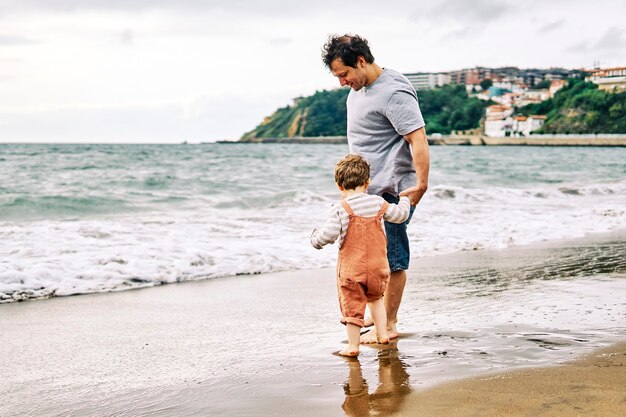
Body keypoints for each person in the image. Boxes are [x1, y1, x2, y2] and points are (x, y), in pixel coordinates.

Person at [322, 34, 430, 343]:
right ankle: (379, 315)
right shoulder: (359, 89)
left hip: (391, 189)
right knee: (369, 257)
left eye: (344, 74)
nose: (342, 82)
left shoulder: (394, 92)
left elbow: (417, 139)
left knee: (391, 258)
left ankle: (391, 323)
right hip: (366, 190)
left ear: (360, 61)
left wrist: (420, 184)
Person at [311, 154, 411, 357]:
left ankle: (353, 346)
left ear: (339, 186)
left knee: (352, 306)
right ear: (367, 182)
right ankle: (383, 334)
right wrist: (406, 199)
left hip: (352, 269)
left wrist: (315, 240)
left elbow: (328, 235)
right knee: (376, 299)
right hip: (378, 265)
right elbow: (400, 216)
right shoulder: (378, 203)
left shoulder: (340, 208)